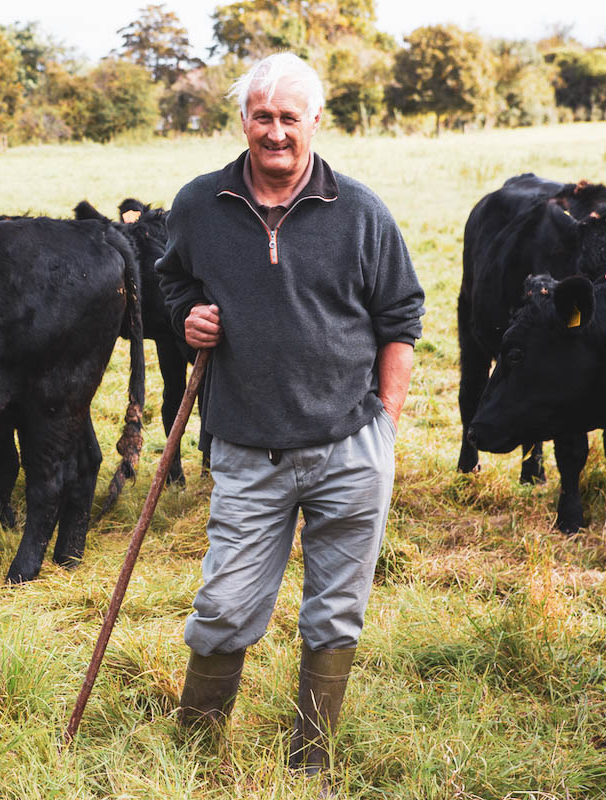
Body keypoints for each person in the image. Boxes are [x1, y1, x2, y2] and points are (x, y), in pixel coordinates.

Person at [155, 53, 425, 782]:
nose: (275, 132)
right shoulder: (197, 206)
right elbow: (171, 280)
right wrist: (190, 316)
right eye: (262, 116)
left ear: (315, 122)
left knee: (336, 613)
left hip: (350, 446)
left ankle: (312, 759)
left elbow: (402, 315)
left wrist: (385, 426)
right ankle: (193, 756)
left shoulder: (361, 212)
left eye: (289, 118)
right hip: (247, 447)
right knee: (224, 605)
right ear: (243, 119)